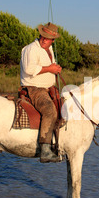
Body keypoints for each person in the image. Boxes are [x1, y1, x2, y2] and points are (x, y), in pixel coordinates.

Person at [20, 22, 62, 163]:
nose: (44, 39)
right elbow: (29, 70)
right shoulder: (31, 49)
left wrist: (55, 69)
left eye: (47, 38)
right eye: (42, 36)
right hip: (34, 89)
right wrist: (50, 69)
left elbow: (48, 67)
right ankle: (45, 150)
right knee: (50, 111)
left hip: (48, 89)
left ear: (52, 40)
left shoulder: (48, 51)